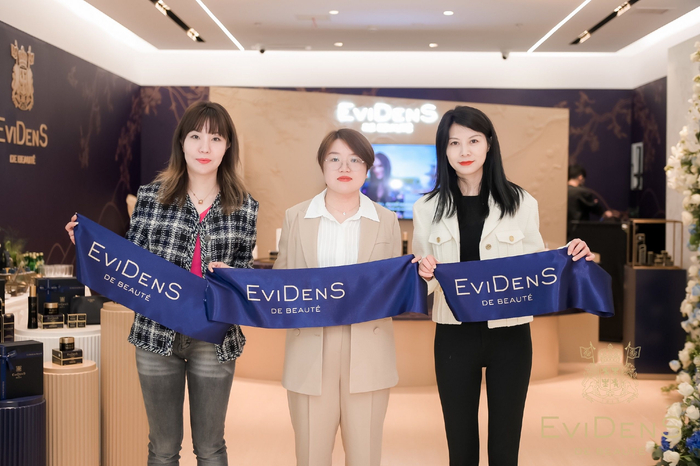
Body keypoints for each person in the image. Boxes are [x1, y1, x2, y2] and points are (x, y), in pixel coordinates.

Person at [66, 101, 258, 466]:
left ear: (228, 146)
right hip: (156, 336)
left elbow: (246, 272)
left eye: (216, 138)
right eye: (196, 136)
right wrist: (87, 245)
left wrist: (232, 275)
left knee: (211, 448)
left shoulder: (245, 206)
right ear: (181, 142)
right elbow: (129, 261)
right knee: (163, 448)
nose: (205, 147)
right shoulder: (152, 197)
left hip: (213, 338)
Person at [411, 106, 594, 466]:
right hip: (454, 335)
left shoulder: (522, 202)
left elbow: (536, 267)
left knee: (505, 449)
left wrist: (572, 255)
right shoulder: (426, 208)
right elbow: (423, 282)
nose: (464, 151)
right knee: (460, 448)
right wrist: (425, 273)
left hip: (510, 336)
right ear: (443, 150)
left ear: (489, 144)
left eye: (473, 141)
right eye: (454, 143)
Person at [274, 128, 401, 466]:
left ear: (367, 168)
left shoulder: (387, 220)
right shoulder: (296, 217)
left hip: (368, 352)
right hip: (310, 351)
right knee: (311, 456)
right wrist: (232, 277)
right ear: (322, 165)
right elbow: (279, 284)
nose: (344, 167)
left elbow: (396, 286)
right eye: (335, 159)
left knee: (365, 457)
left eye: (355, 160)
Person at [567, 164, 613, 241]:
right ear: (580, 177)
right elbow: (596, 209)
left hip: (564, 232)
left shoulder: (562, 191)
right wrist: (604, 213)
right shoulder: (583, 192)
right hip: (579, 232)